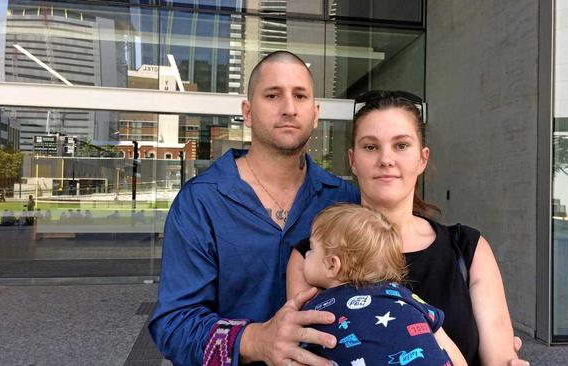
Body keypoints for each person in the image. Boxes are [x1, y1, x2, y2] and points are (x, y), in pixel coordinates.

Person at [148, 50, 360, 366]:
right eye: (273, 95)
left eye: (299, 96)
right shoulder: (200, 202)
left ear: (315, 113)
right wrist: (256, 340)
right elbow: (174, 324)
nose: (289, 108)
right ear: (247, 112)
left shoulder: (343, 199)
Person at [287, 90, 527, 366]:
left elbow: (500, 359)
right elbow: (309, 352)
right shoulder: (313, 254)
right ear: (353, 160)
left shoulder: (467, 249)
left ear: (422, 158)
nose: (386, 159)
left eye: (401, 145)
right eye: (370, 147)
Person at [298, 203, 466, 366]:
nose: (306, 254)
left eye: (311, 248)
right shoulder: (403, 295)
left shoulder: (316, 310)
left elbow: (300, 356)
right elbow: (449, 348)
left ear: (332, 265)